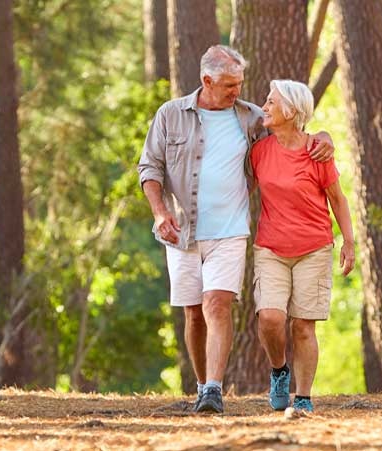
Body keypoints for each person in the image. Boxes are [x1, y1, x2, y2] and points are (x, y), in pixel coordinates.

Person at [137, 46, 333, 414]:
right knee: (193, 313)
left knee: (217, 304)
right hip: (181, 233)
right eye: (229, 85)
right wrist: (160, 212)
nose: (237, 92)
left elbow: (294, 131)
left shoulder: (252, 118)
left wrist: (324, 135)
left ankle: (213, 389)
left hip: (229, 232)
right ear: (206, 80)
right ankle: (201, 386)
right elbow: (150, 168)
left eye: (240, 83)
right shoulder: (171, 115)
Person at [250, 79, 355, 417]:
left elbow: (337, 199)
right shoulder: (259, 152)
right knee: (270, 317)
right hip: (271, 249)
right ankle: (279, 371)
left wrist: (349, 241)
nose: (264, 107)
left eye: (271, 102)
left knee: (303, 326)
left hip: (314, 248)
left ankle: (304, 396)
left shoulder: (317, 152)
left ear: (291, 111)